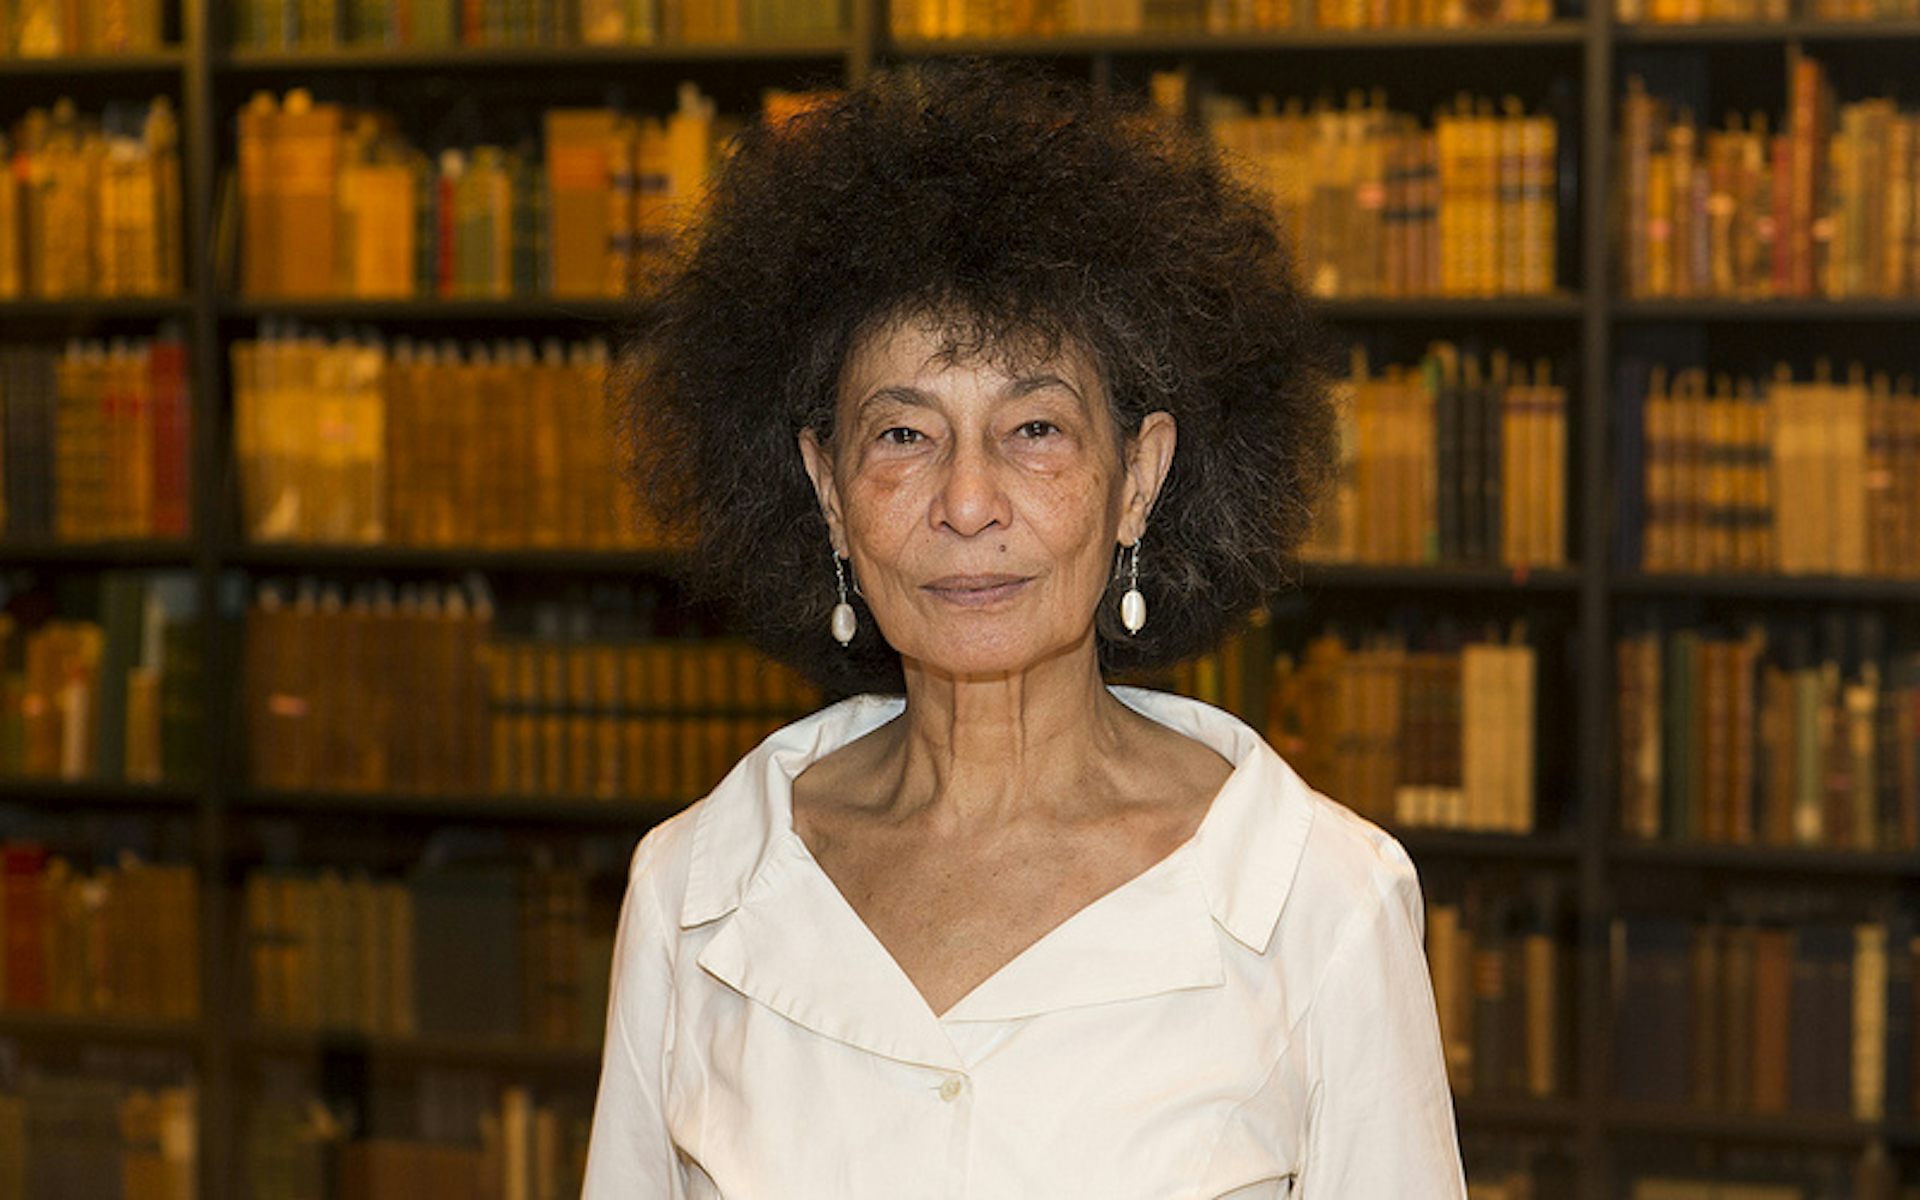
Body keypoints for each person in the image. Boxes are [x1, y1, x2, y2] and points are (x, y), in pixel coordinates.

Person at [583, 56, 1468, 1198]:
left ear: (1137, 480)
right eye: (902, 435)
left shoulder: (1320, 904)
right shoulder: (694, 890)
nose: (966, 502)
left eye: (1035, 428)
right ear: (827, 491)